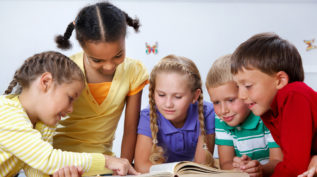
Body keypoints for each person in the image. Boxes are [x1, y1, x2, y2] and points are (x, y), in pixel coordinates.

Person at [0, 51, 138, 177]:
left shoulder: (43, 125)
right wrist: (106, 161)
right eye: (70, 98)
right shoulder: (6, 112)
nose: (71, 109)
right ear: (46, 82)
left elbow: (37, 172)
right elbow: (47, 159)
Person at [53, 1, 149, 170]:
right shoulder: (65, 70)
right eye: (97, 60)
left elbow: (130, 129)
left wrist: (123, 167)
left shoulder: (134, 72)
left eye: (118, 55)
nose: (109, 66)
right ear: (82, 46)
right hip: (60, 161)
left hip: (104, 163)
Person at [231, 32, 317, 177]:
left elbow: (295, 167)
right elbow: (297, 162)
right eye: (238, 86)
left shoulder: (294, 95)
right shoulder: (270, 111)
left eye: (248, 85)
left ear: (280, 80)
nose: (241, 96)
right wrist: (261, 171)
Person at [134, 55, 215, 173]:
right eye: (161, 95)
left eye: (177, 97)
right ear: (153, 92)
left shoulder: (207, 113)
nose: (168, 104)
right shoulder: (148, 116)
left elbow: (201, 166)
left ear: (195, 96)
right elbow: (141, 166)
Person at [205, 54, 282, 177]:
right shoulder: (221, 120)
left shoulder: (266, 116)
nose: (223, 110)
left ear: (245, 92)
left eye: (230, 100)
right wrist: (238, 168)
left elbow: (278, 161)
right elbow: (225, 163)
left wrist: (260, 169)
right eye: (216, 102)